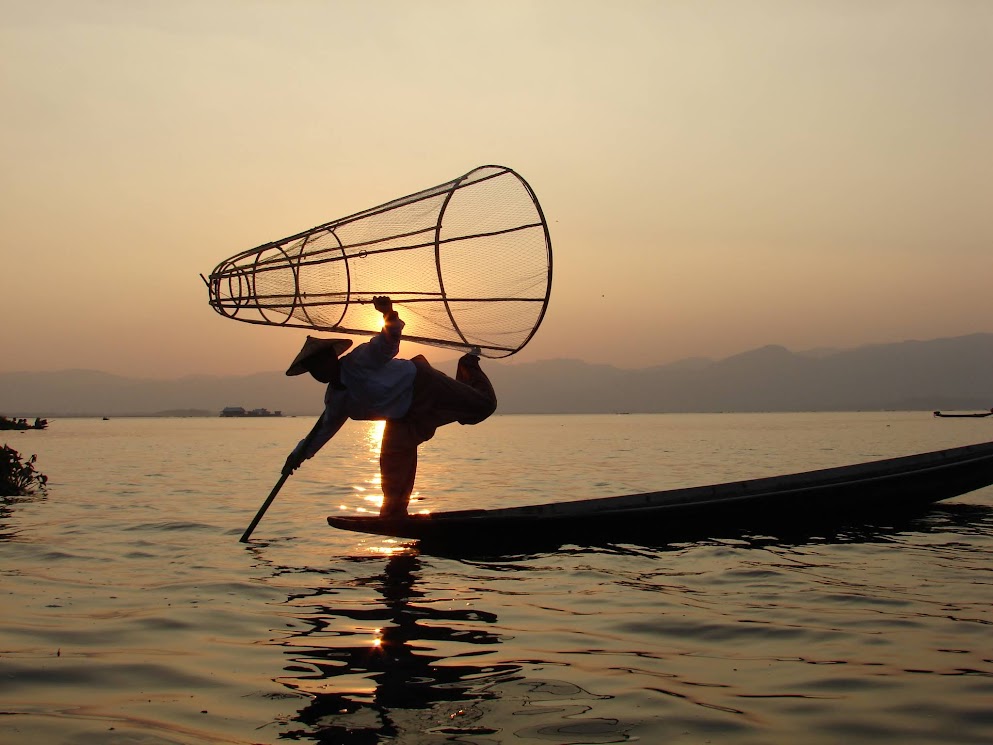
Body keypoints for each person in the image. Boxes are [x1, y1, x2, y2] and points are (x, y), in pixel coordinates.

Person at [283, 296, 497, 518]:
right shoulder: (335, 400)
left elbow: (386, 343)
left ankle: (468, 365)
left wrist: (388, 314)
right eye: (313, 369)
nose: (318, 372)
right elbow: (322, 432)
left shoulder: (358, 360)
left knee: (484, 406)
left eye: (320, 364)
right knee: (392, 463)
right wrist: (296, 457)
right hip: (403, 417)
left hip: (423, 384)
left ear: (332, 358)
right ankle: (393, 515)